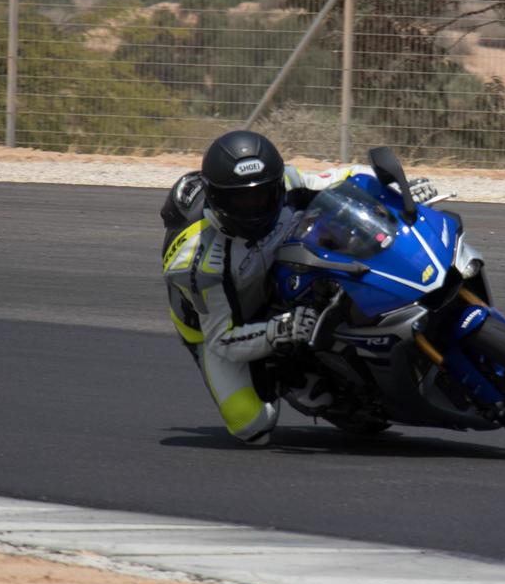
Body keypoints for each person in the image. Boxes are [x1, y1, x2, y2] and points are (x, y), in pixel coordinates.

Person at [160, 130, 435, 446]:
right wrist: (279, 330)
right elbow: (224, 340)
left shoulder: (290, 183)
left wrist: (398, 192)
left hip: (280, 272)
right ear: (217, 199)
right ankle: (291, 380)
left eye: (261, 195)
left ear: (276, 184)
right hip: (218, 322)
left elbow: (345, 179)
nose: (253, 207)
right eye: (241, 199)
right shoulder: (197, 262)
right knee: (253, 425)